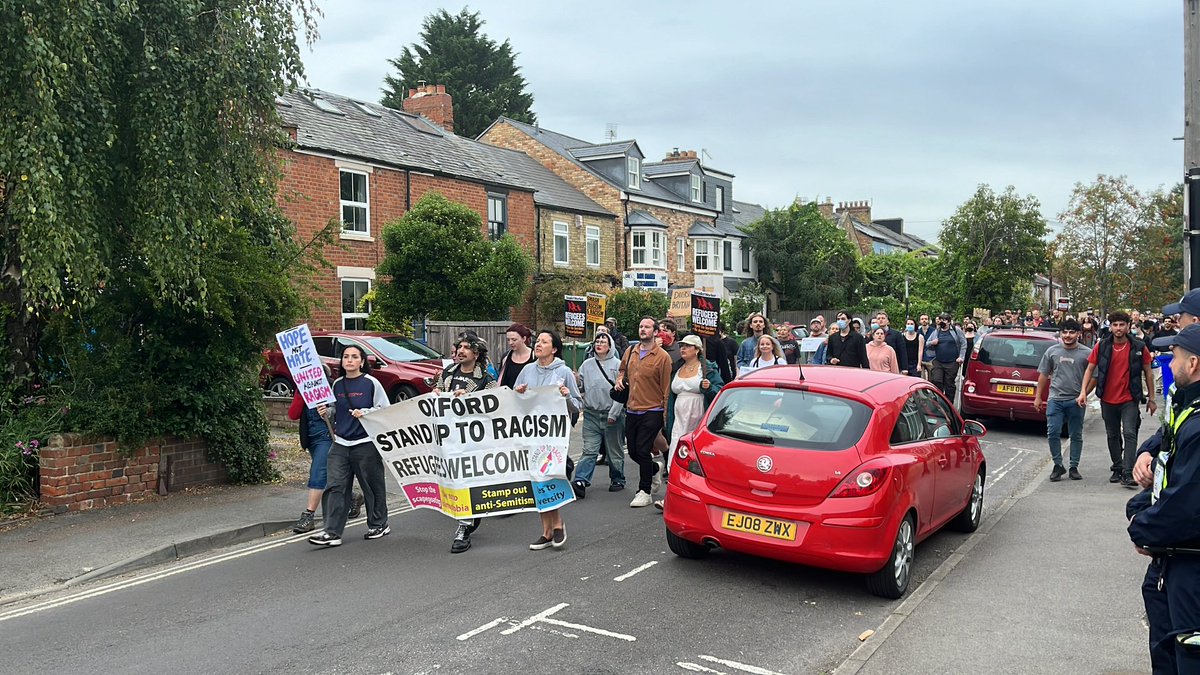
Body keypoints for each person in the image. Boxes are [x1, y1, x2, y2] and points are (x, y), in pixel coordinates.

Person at [1127, 323, 1200, 674]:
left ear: (1193, 364)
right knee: (1170, 649)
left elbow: (1187, 504)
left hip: (1190, 561)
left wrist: (1143, 529)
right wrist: (1140, 508)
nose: (1169, 366)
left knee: (1188, 656)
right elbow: (1169, 463)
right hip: (1174, 556)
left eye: (1175, 358)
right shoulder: (1187, 407)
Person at [308, 345, 391, 547]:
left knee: (371, 486)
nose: (350, 360)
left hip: (365, 443)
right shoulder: (337, 384)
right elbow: (335, 412)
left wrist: (366, 412)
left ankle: (379, 523)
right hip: (341, 443)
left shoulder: (371, 383)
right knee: (335, 486)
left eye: (354, 357)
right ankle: (331, 532)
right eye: (346, 357)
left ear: (362, 362)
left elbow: (385, 410)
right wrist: (326, 412)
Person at [514, 330, 582, 550]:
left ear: (554, 349)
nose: (538, 344)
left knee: (550, 474)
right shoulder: (527, 370)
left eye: (544, 341)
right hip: (531, 433)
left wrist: (566, 396)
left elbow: (578, 406)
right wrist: (519, 392)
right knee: (536, 478)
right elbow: (515, 400)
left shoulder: (564, 372)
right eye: (537, 341)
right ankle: (546, 531)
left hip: (552, 436)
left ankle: (558, 522)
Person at [434, 335, 498, 554]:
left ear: (476, 354)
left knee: (468, 482)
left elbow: (493, 408)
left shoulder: (486, 380)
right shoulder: (448, 373)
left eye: (467, 348)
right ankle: (469, 518)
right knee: (457, 481)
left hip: (474, 442)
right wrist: (438, 395)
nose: (461, 351)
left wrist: (470, 398)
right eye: (459, 347)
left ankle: (464, 527)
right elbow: (439, 396)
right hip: (450, 439)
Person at [1077, 311, 1157, 487]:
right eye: (1115, 325)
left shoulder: (1138, 346)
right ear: (1110, 326)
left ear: (1128, 326)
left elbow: (1149, 374)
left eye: (1122, 325)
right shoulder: (1102, 346)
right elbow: (1090, 369)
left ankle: (1128, 473)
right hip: (1107, 398)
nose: (1118, 328)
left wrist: (1151, 398)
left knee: (1129, 432)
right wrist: (1083, 392)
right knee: (1112, 434)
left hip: (1130, 397)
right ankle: (1117, 467)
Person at [288, 364, 363, 533]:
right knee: (327, 474)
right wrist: (301, 393)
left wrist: (328, 410)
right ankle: (352, 497)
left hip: (327, 436)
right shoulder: (303, 390)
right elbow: (293, 414)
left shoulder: (332, 387)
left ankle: (308, 516)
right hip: (312, 439)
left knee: (318, 473)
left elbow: (340, 410)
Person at [655, 334, 724, 509]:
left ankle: (694, 498)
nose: (683, 349)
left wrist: (708, 388)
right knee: (674, 454)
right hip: (678, 419)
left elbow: (720, 391)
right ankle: (670, 497)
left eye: (687, 346)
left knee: (693, 459)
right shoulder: (677, 368)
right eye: (682, 346)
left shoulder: (707, 369)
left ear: (697, 349)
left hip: (698, 418)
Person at [614, 316, 673, 508]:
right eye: (641, 326)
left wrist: (664, 416)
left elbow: (666, 387)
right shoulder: (631, 351)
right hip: (632, 408)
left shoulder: (662, 357)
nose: (643, 329)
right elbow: (622, 370)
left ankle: (644, 491)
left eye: (647, 327)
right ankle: (654, 468)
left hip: (653, 409)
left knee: (642, 448)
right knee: (632, 451)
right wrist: (620, 378)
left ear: (655, 332)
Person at [1032, 318, 1089, 482]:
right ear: (1061, 333)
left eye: (1072, 332)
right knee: (1053, 432)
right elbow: (1043, 375)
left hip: (1076, 400)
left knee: (1076, 434)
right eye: (1065, 332)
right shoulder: (1051, 351)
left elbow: (1093, 376)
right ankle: (1058, 465)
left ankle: (1073, 467)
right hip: (1055, 399)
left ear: (1078, 334)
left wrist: (1084, 393)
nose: (1068, 335)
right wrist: (1038, 397)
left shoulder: (1087, 353)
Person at [573, 332, 626, 496]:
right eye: (597, 341)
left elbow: (622, 393)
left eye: (603, 341)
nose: (599, 343)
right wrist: (576, 380)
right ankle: (580, 480)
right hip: (591, 414)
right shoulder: (587, 365)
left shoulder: (618, 365)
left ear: (610, 346)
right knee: (589, 449)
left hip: (612, 414)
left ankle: (618, 478)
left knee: (614, 450)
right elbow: (580, 388)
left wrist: (614, 413)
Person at [927, 312, 967, 403]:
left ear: (949, 322)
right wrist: (932, 343)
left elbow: (963, 343)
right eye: (940, 320)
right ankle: (938, 402)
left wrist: (961, 357)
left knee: (949, 384)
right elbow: (927, 343)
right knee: (936, 380)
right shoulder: (936, 331)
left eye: (944, 320)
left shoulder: (956, 330)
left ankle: (949, 404)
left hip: (952, 362)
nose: (942, 322)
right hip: (939, 361)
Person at [497, 323, 534, 390]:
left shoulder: (535, 356)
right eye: (508, 340)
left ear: (524, 338)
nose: (510, 342)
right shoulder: (506, 357)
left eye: (514, 340)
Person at [874, 311, 909, 375]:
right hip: (877, 368)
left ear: (887, 321)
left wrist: (904, 368)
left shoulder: (897, 334)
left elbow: (902, 352)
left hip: (894, 366)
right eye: (878, 318)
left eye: (883, 318)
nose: (881, 320)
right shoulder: (872, 335)